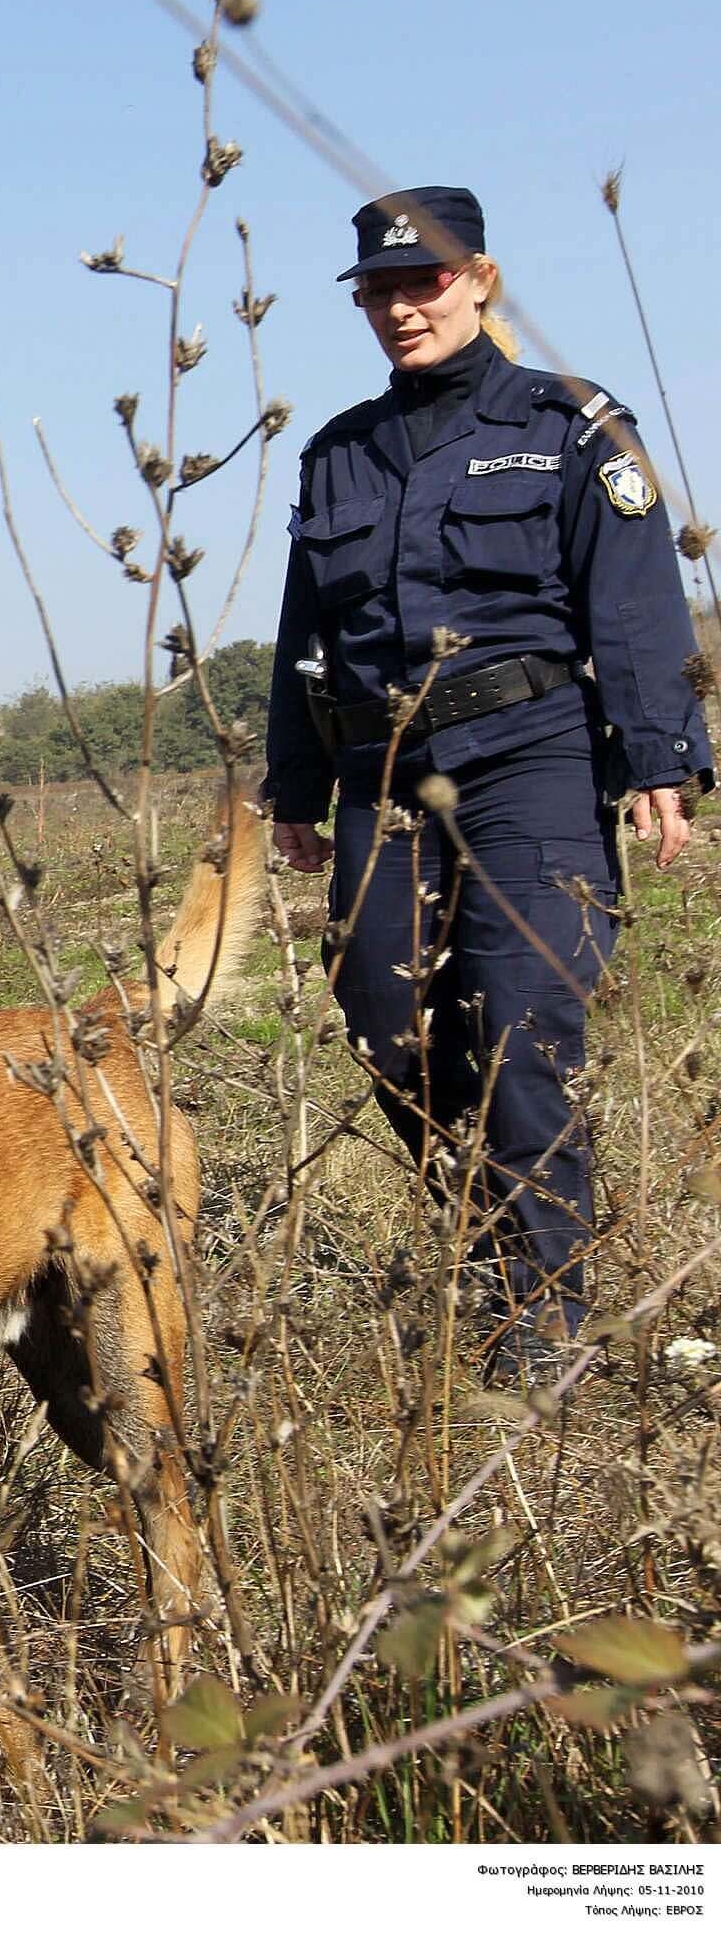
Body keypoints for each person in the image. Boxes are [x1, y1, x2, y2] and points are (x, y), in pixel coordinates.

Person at [263, 187, 711, 1379]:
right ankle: (490, 1235)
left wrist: (660, 757)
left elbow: (631, 596)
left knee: (521, 1023)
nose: (402, 308)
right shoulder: (335, 454)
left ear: (480, 280)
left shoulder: (571, 422)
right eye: (379, 292)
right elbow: (303, 631)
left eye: (426, 282)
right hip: (380, 774)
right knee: (384, 1025)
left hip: (530, 759)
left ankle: (546, 1316)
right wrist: (292, 786)